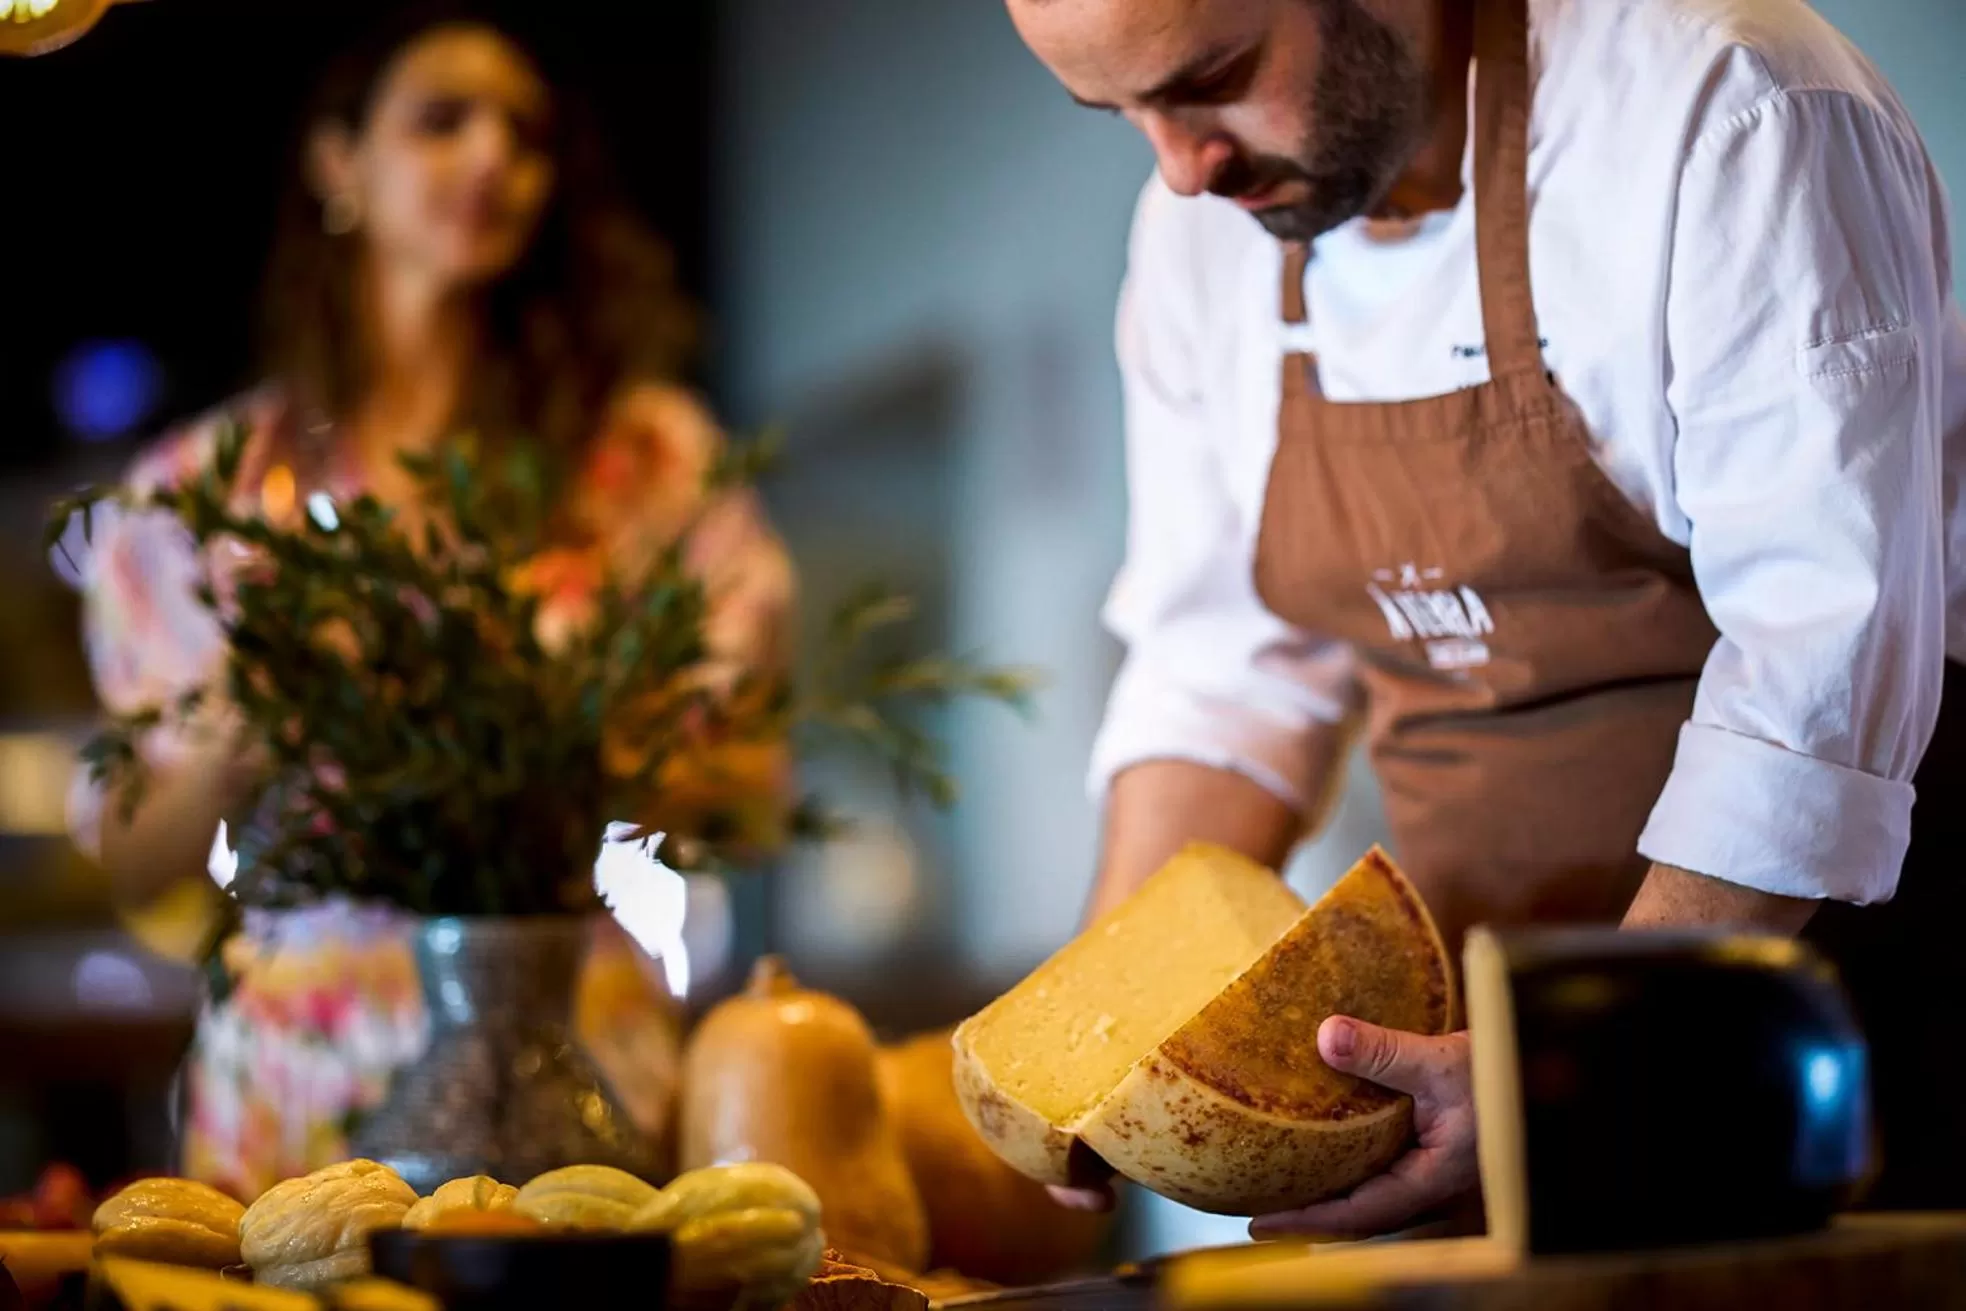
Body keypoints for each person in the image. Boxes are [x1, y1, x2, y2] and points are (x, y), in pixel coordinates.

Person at [1007, 0, 1966, 1233]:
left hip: (1822, 1030)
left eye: (1218, 77)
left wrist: (1567, 1062)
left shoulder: (1727, 105)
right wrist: (1104, 1033)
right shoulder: (1200, 242)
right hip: (1465, 1066)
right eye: (1122, 114)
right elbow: (1224, 673)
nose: (1184, 169)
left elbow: (1819, 655)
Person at [61, 4, 792, 1199]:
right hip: (299, 1088)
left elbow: (747, 788)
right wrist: (267, 707)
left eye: (528, 132)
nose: (496, 157)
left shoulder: (648, 468)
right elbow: (135, 859)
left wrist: (542, 742)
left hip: (572, 1058)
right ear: (337, 162)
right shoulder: (200, 496)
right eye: (442, 120)